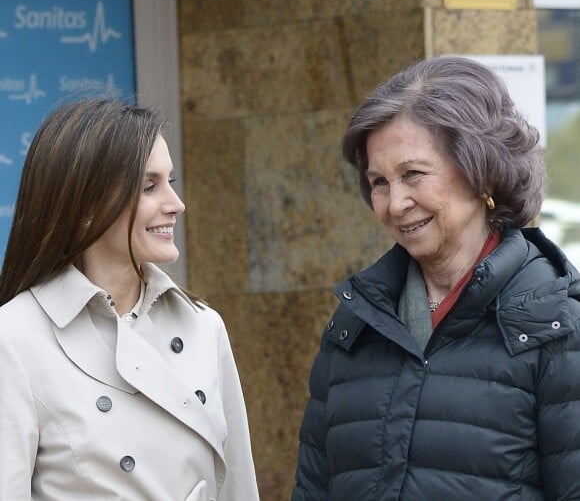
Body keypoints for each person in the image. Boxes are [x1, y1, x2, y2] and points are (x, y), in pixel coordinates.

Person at [291, 56, 580, 500]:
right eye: (379, 182)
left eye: (413, 175)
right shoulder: (355, 324)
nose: (396, 203)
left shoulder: (555, 323)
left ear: (479, 170)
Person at [0, 98, 260, 500]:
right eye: (149, 186)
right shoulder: (15, 338)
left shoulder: (203, 326)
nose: (176, 205)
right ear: (86, 207)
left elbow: (239, 488)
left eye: (170, 182)